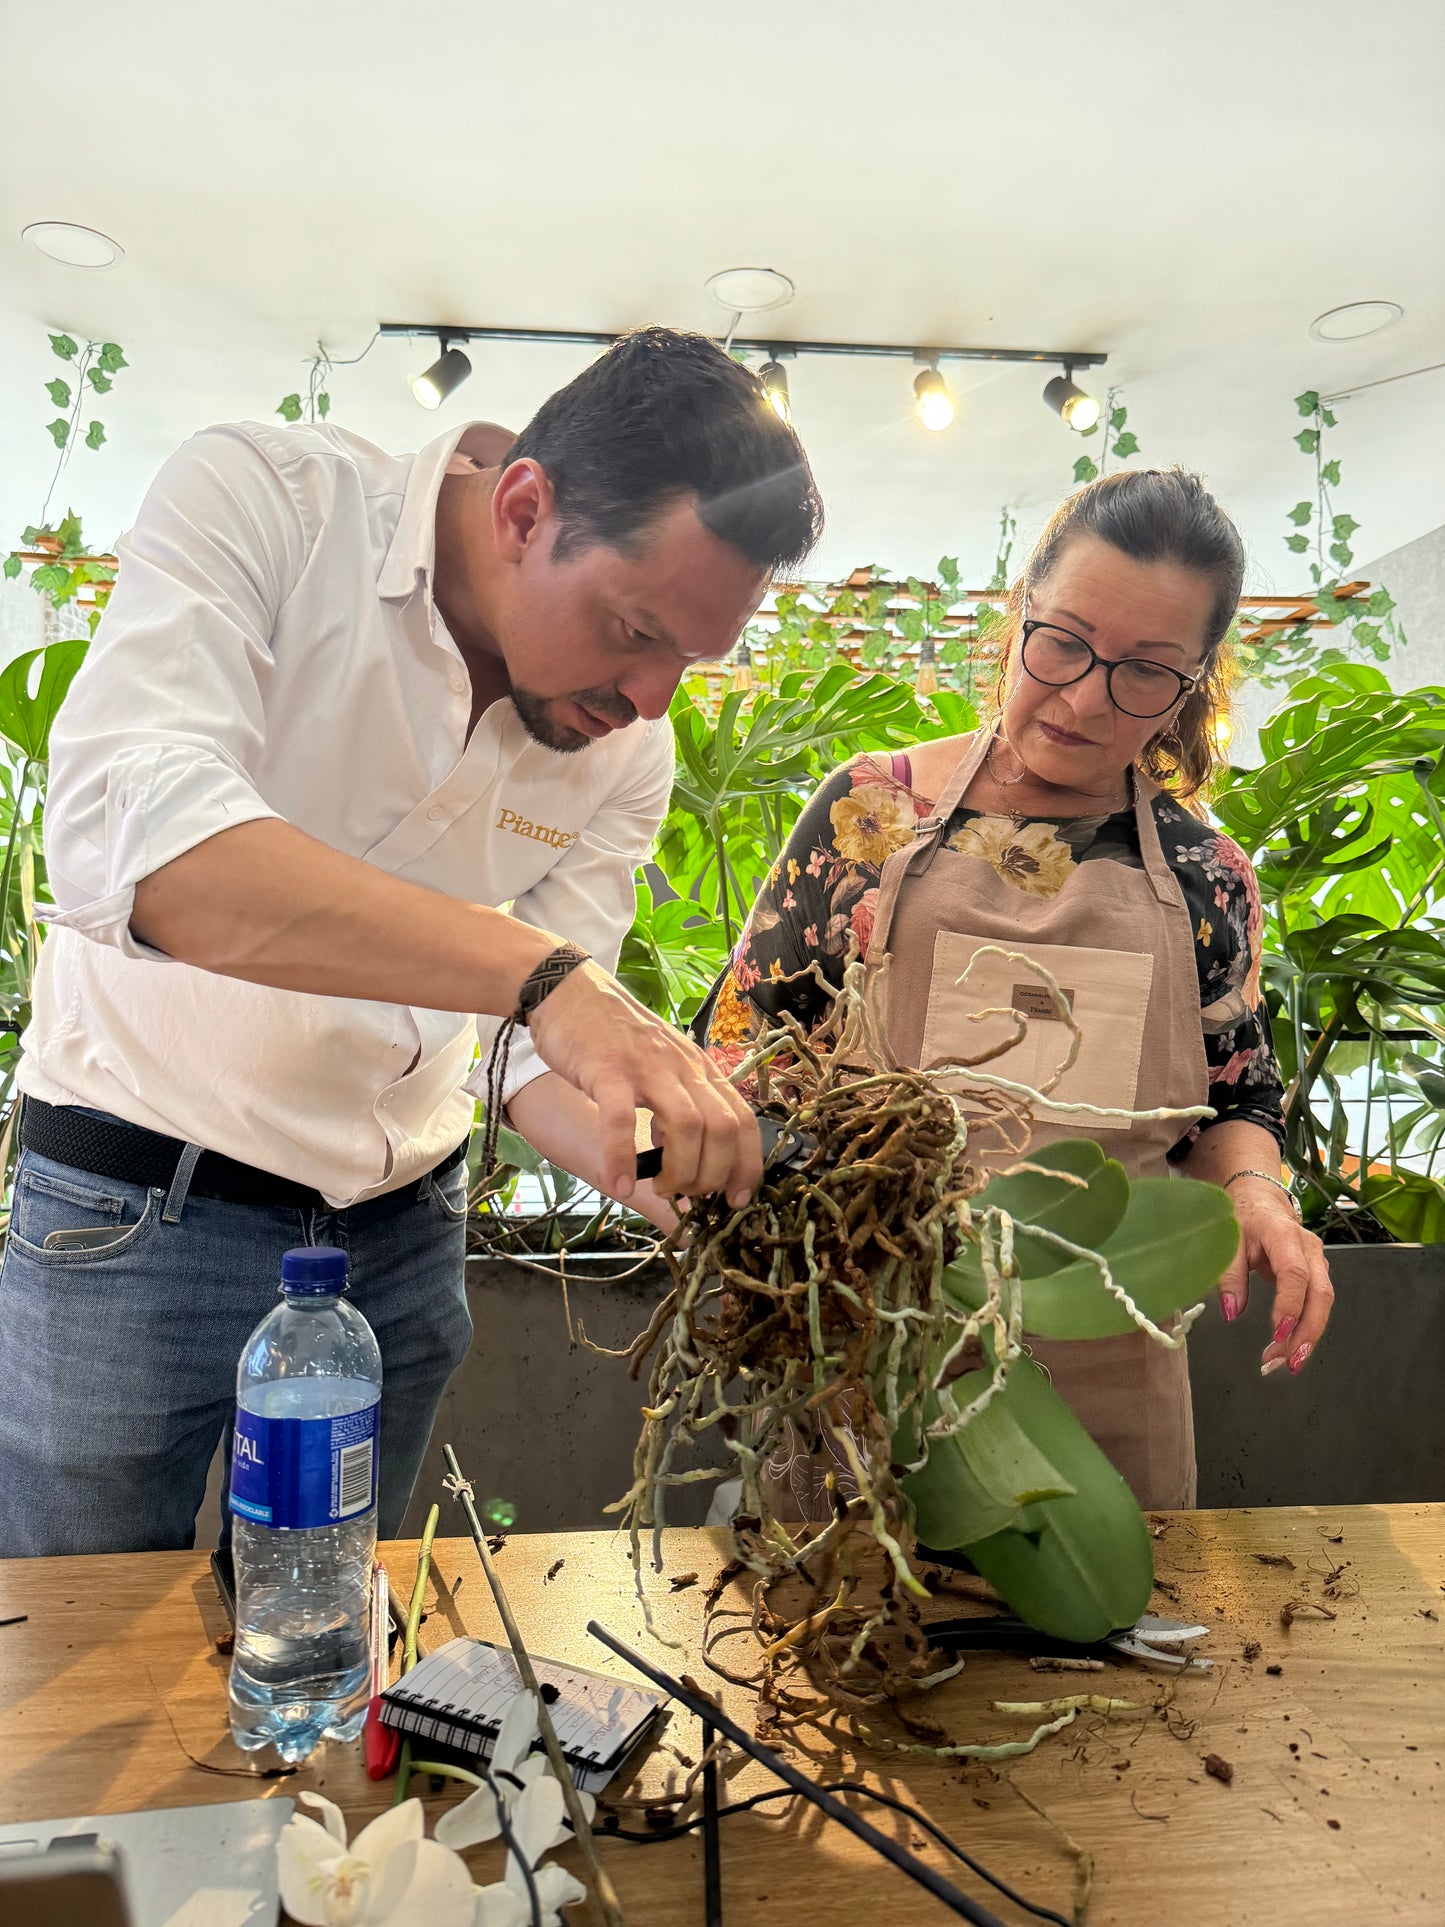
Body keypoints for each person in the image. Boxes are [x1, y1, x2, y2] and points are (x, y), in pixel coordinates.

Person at [0, 327, 823, 1559]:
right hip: (135, 1216)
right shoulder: (268, 503)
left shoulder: (623, 748)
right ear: (525, 507)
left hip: (392, 1241)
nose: (648, 699)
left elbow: (521, 1051)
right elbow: (154, 857)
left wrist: (653, 1157)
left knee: (325, 1639)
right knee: (64, 1659)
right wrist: (543, 982)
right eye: (632, 629)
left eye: (687, 663)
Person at [698, 467, 1332, 1511]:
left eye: (1142, 672)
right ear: (1018, 609)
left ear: (1190, 684)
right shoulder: (873, 813)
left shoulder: (1202, 876)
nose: (1084, 697)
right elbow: (735, 1050)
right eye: (1064, 642)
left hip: (1104, 1367)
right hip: (871, 1343)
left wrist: (1252, 1192)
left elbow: (1233, 1098)